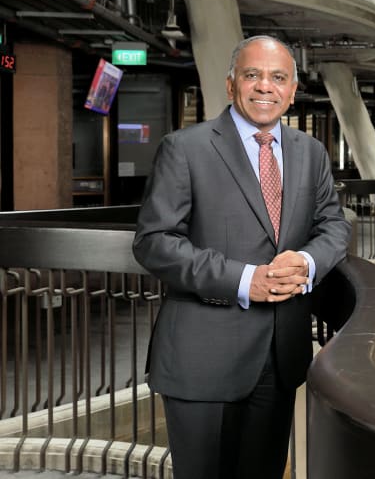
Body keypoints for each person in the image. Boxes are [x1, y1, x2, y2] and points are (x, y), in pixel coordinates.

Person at [132, 36, 352, 479]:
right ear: (232, 84)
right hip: (203, 358)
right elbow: (153, 241)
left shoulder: (309, 152)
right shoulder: (185, 148)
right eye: (253, 75)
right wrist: (243, 279)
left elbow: (334, 226)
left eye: (278, 78)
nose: (264, 87)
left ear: (292, 91)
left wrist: (308, 264)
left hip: (279, 354)